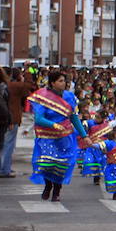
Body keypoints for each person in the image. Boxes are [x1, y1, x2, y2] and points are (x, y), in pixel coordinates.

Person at [28, 70, 87, 202]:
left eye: (65, 81)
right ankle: (48, 186)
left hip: (65, 136)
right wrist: (53, 125)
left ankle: (57, 190)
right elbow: (38, 118)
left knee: (62, 164)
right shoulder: (43, 96)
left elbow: (73, 117)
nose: (64, 83)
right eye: (60, 81)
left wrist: (84, 135)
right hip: (47, 136)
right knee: (47, 163)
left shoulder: (69, 97)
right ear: (52, 83)